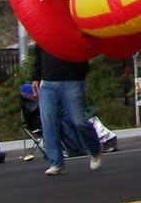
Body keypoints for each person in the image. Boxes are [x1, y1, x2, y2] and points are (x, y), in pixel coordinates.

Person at [29, 42, 101, 175]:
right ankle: (56, 163)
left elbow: (89, 50)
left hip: (72, 80)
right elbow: (39, 55)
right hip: (48, 82)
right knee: (49, 123)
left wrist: (81, 73)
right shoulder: (45, 32)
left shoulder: (70, 29)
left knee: (78, 121)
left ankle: (95, 148)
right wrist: (35, 77)